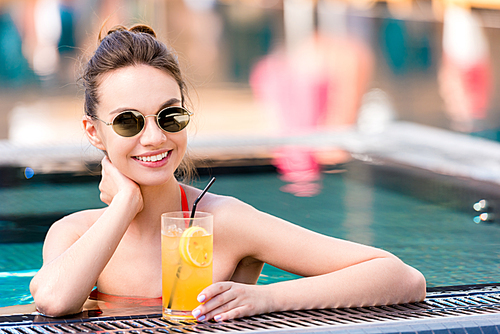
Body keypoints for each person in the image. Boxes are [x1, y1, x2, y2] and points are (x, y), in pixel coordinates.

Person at [29, 24, 426, 320]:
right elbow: (53, 300)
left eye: (170, 115)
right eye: (128, 121)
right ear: (93, 132)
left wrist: (266, 299)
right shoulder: (75, 234)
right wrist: (126, 204)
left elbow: (402, 278)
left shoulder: (222, 222)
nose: (154, 137)